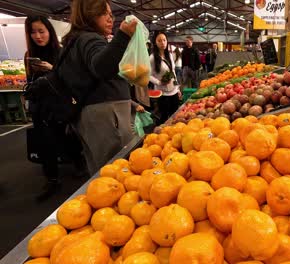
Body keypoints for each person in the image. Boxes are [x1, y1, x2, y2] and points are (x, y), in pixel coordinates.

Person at [58, 0, 137, 175]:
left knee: (102, 171)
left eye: (111, 14)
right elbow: (101, 67)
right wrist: (123, 35)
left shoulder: (73, 41)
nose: (110, 19)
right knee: (119, 170)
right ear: (89, 14)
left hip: (90, 116)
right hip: (106, 117)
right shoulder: (89, 38)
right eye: (104, 13)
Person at [24, 15, 65, 199]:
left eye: (41, 31)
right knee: (45, 142)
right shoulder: (29, 56)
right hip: (40, 106)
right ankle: (52, 180)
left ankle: (78, 162)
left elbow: (69, 80)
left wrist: (51, 69)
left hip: (60, 105)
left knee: (66, 139)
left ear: (50, 31)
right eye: (33, 32)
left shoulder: (61, 53)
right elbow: (29, 81)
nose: (38, 36)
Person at [149, 32, 181, 124]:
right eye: (159, 40)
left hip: (173, 91)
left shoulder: (169, 55)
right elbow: (147, 75)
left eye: (164, 40)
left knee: (174, 116)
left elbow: (173, 72)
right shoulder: (152, 58)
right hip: (162, 94)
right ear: (155, 43)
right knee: (164, 118)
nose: (163, 42)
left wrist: (177, 88)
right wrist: (159, 82)